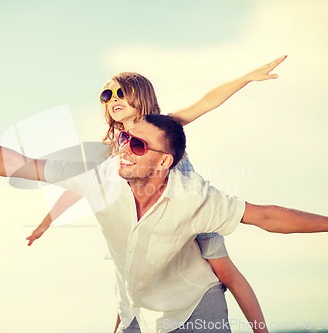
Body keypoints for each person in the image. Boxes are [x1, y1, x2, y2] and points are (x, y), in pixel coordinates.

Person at [0, 118, 328, 333]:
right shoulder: (98, 175)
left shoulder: (195, 198)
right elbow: (16, 163)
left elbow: (265, 216)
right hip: (141, 311)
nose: (122, 149)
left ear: (164, 162)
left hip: (194, 308)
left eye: (137, 145)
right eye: (122, 138)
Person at [26, 56, 288, 333]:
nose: (113, 99)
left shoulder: (162, 125)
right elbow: (82, 186)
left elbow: (206, 102)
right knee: (135, 271)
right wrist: (47, 221)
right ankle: (125, 325)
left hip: (191, 209)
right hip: (151, 216)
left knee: (225, 272)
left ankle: (261, 330)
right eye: (107, 94)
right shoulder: (114, 146)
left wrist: (246, 78)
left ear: (141, 97)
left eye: (122, 93)